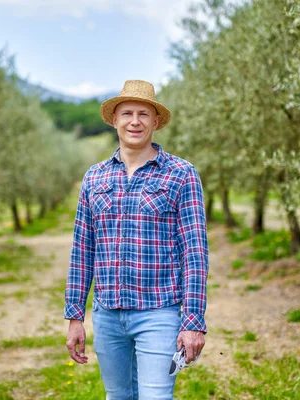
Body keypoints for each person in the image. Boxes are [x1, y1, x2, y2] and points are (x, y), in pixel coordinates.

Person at [64, 80, 208, 399]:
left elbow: (195, 254)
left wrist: (193, 321)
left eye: (144, 114)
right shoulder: (94, 178)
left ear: (155, 122)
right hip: (108, 315)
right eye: (126, 113)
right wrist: (75, 316)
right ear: (114, 120)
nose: (135, 121)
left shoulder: (181, 175)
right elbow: (82, 251)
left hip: (159, 312)